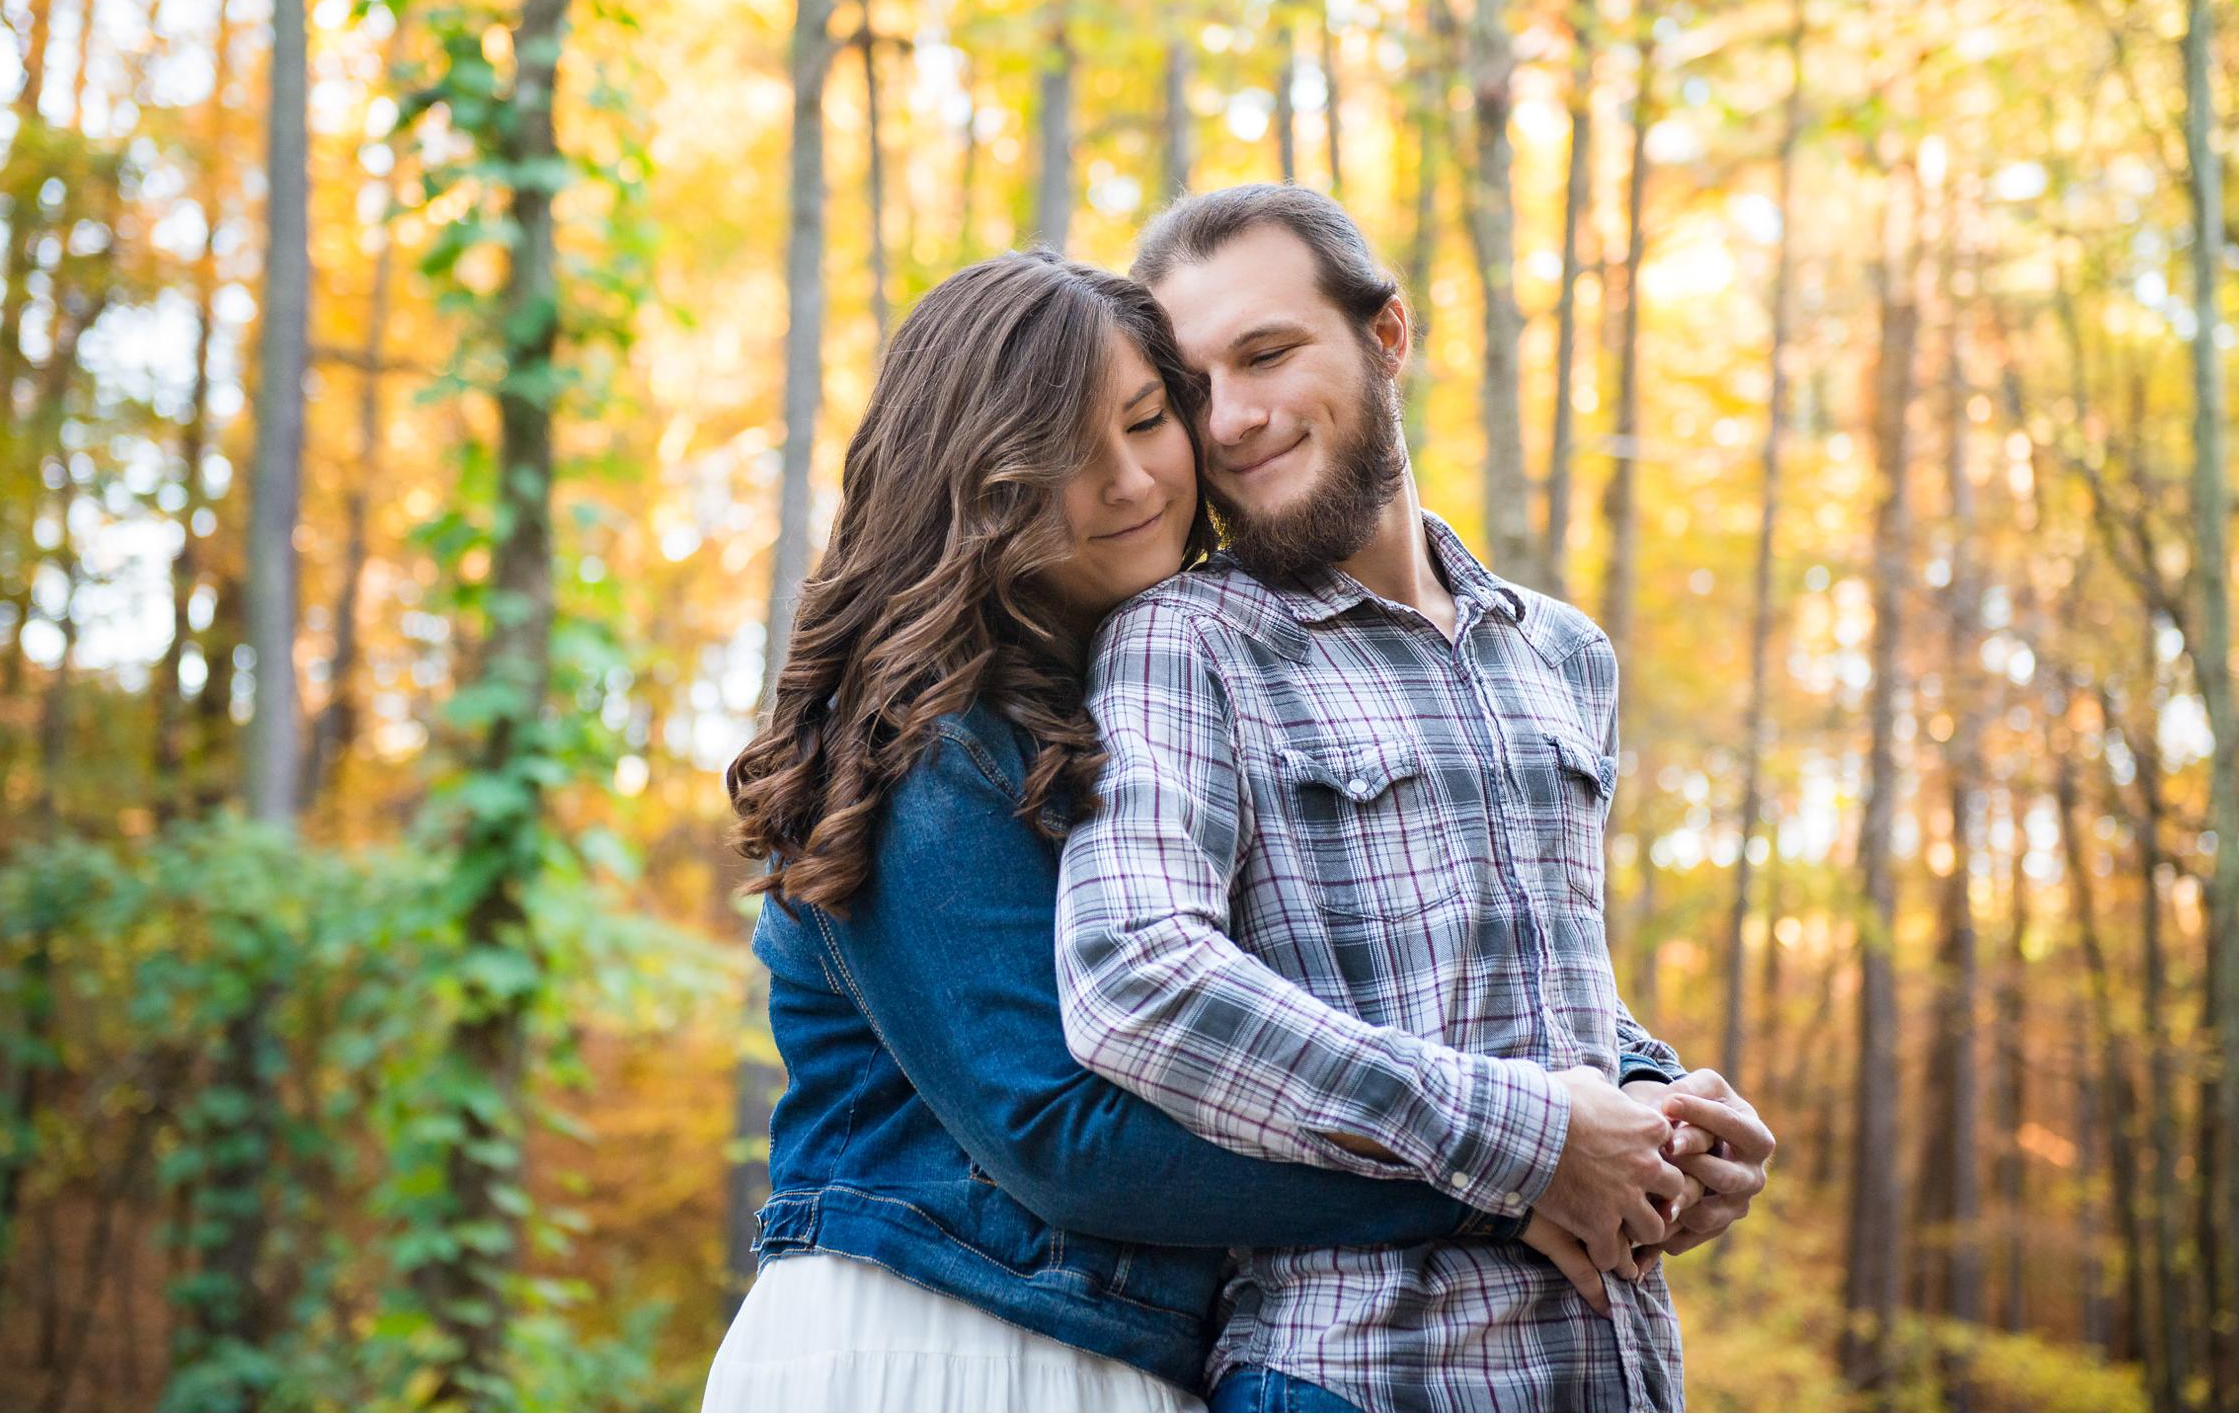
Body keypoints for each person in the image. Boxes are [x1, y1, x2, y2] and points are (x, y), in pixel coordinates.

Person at [705, 251, 1711, 1412]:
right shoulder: (925, 738)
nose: (1132, 482)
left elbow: (1379, 995)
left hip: (1132, 1353)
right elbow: (1061, 1135)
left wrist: (1647, 1098)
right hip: (939, 1340)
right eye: (1066, 460)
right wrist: (1511, 1173)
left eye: (1147, 421)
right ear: (974, 481)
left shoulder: (1152, 700)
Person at [1056, 183, 1776, 1412]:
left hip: (1618, 1371)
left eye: (1268, 353)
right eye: (1194, 389)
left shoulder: (1561, 652)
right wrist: (1538, 1137)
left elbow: (1531, 989)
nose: (1232, 420)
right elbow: (1134, 975)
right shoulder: (1186, 642)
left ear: (1387, 337)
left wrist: (1657, 1109)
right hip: (1355, 1369)